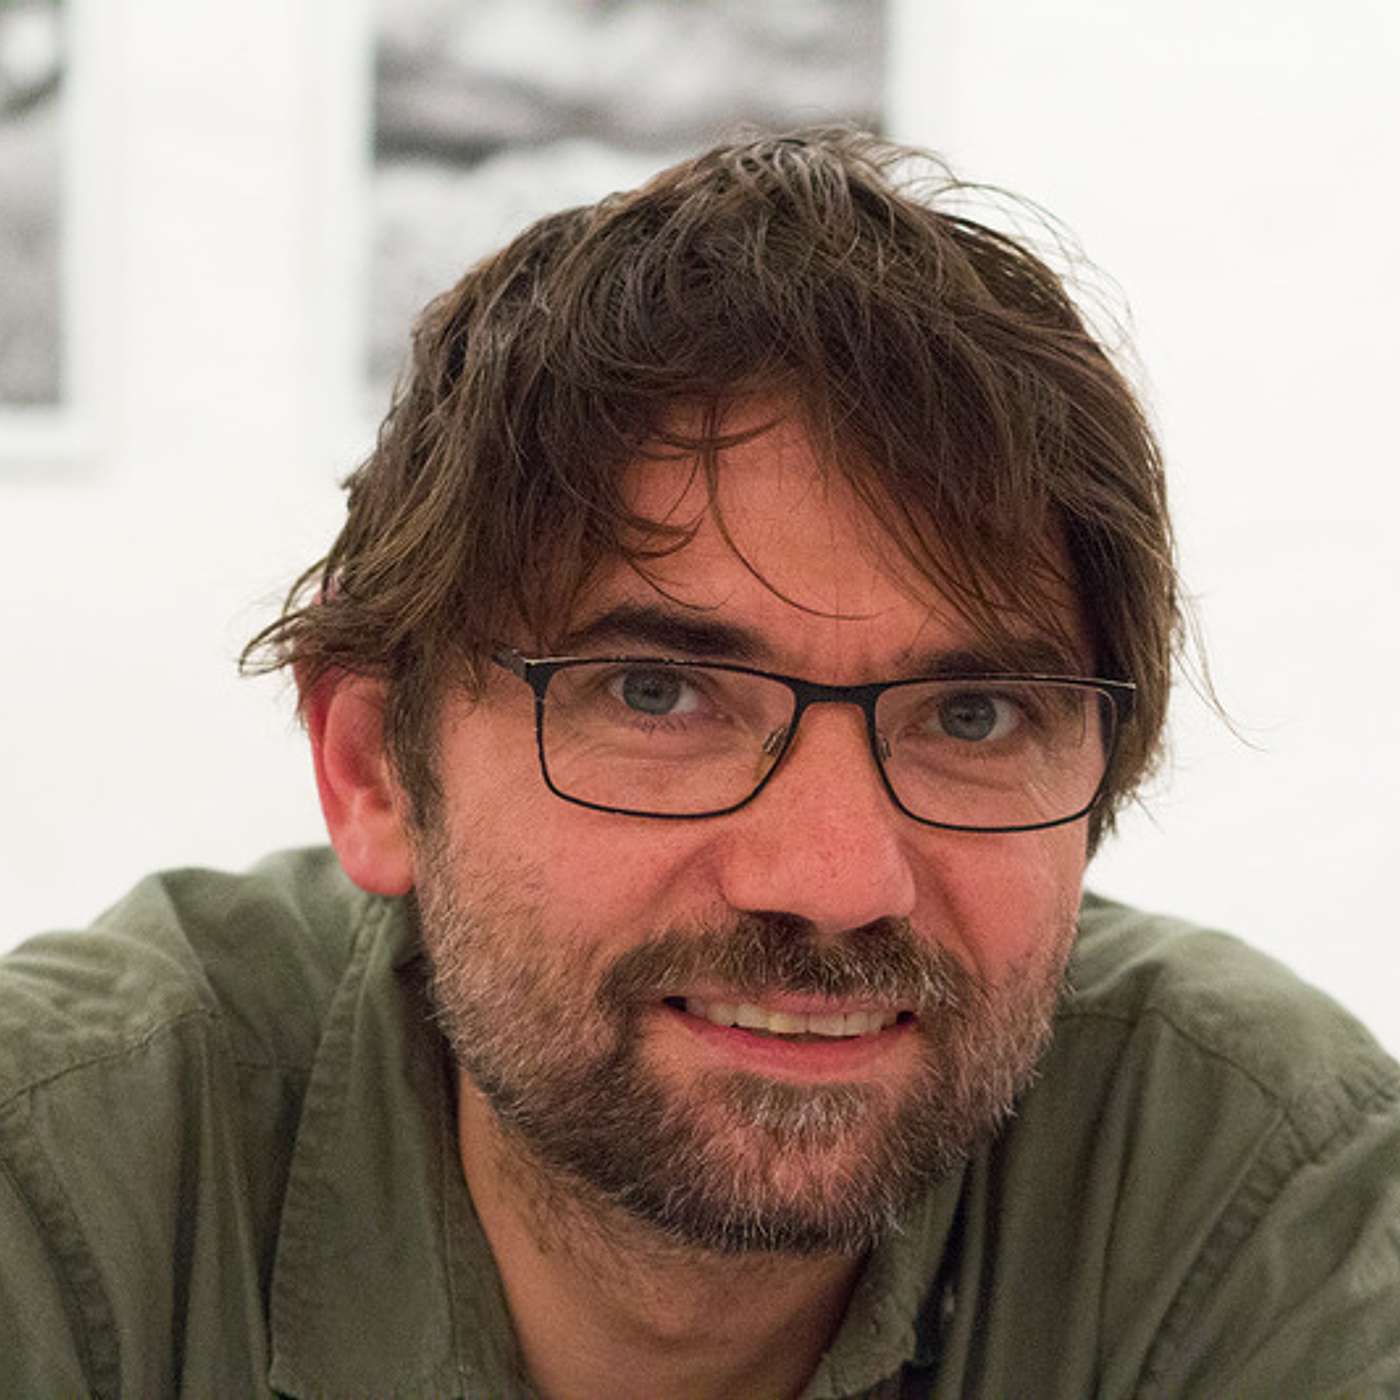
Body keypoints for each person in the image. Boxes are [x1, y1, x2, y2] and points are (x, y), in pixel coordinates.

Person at [2, 130, 1396, 1398]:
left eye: (973, 716)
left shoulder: (1259, 1192)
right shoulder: (59, 1197)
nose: (835, 880)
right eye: (659, 695)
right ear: (377, 771)